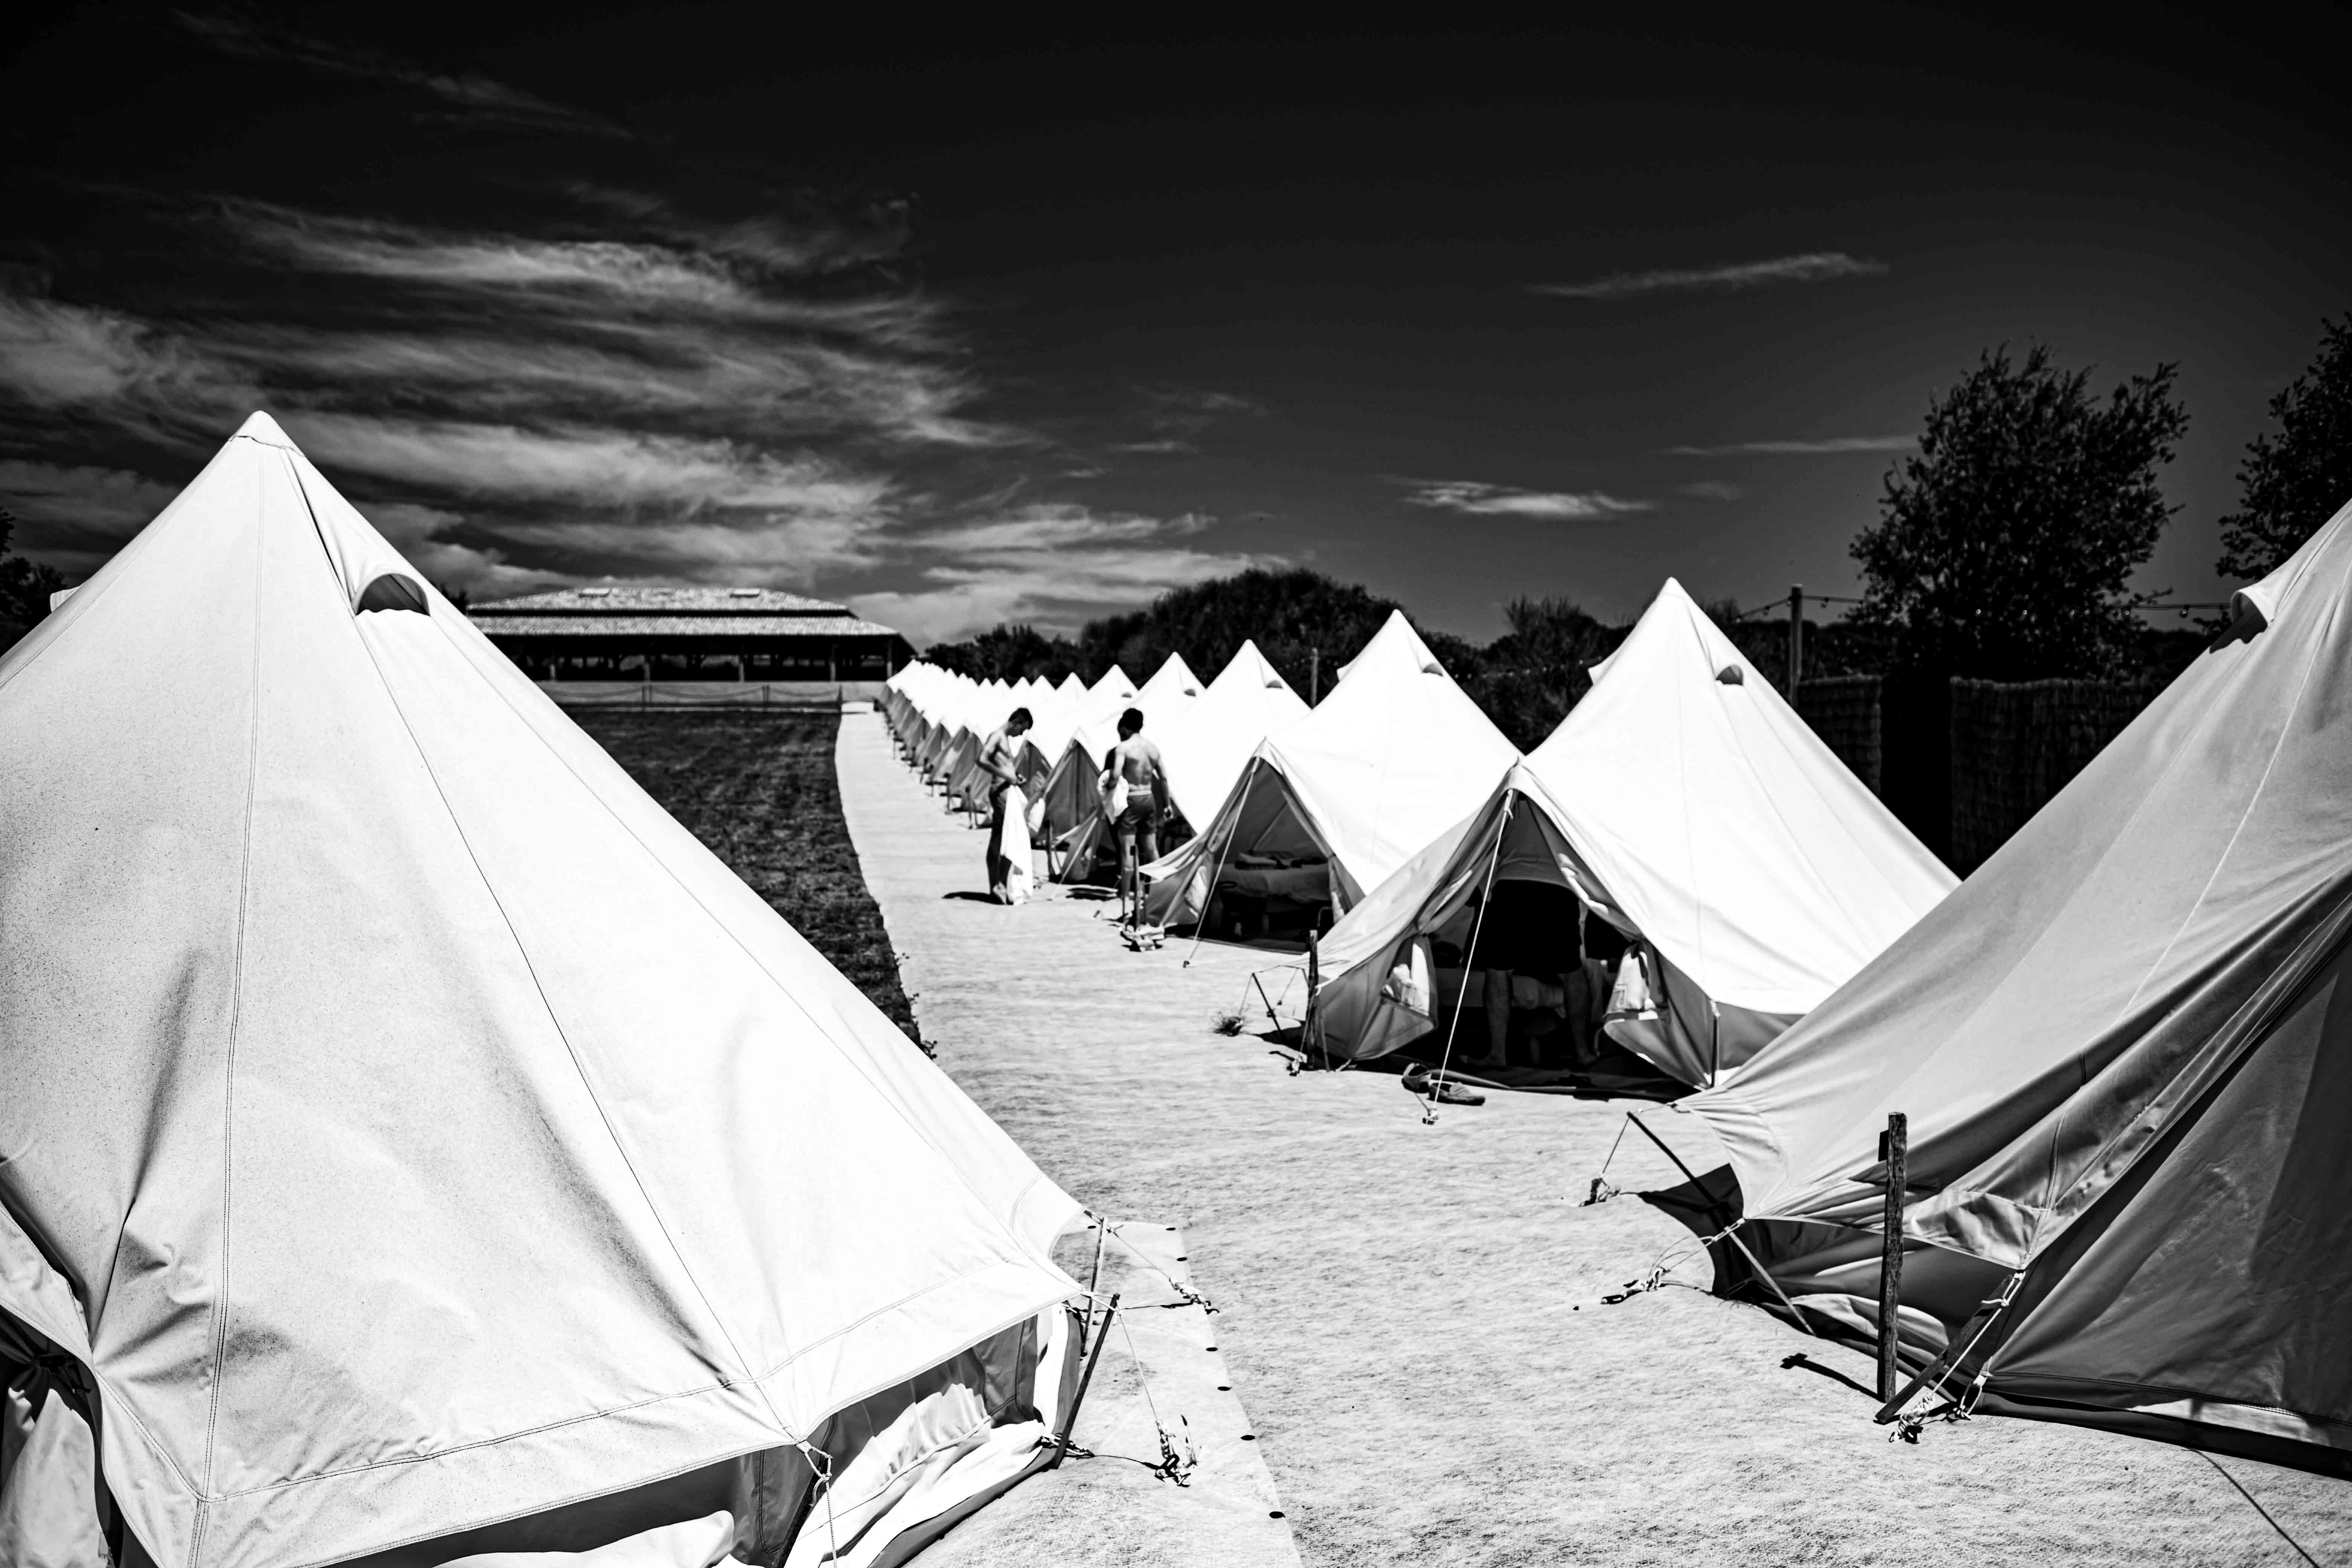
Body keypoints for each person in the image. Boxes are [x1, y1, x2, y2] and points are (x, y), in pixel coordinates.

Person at [1101, 707, 1168, 928]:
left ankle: (1126, 896)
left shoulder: (1124, 748)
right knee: (1151, 848)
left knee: (1128, 849)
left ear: (1126, 726)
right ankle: (1158, 890)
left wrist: (1108, 789)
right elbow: (1165, 778)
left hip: (1131, 799)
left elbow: (1117, 774)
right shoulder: (1153, 749)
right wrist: (1167, 805)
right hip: (1149, 797)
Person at [980, 707, 1034, 904]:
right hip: (1000, 791)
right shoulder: (997, 737)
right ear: (1016, 722)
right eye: (1022, 730)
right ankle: (997, 885)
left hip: (1006, 789)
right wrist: (1006, 776)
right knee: (1002, 837)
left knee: (1007, 837)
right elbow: (982, 760)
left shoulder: (1004, 739)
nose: (1020, 734)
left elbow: (1003, 765)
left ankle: (1001, 883)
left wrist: (1014, 776)